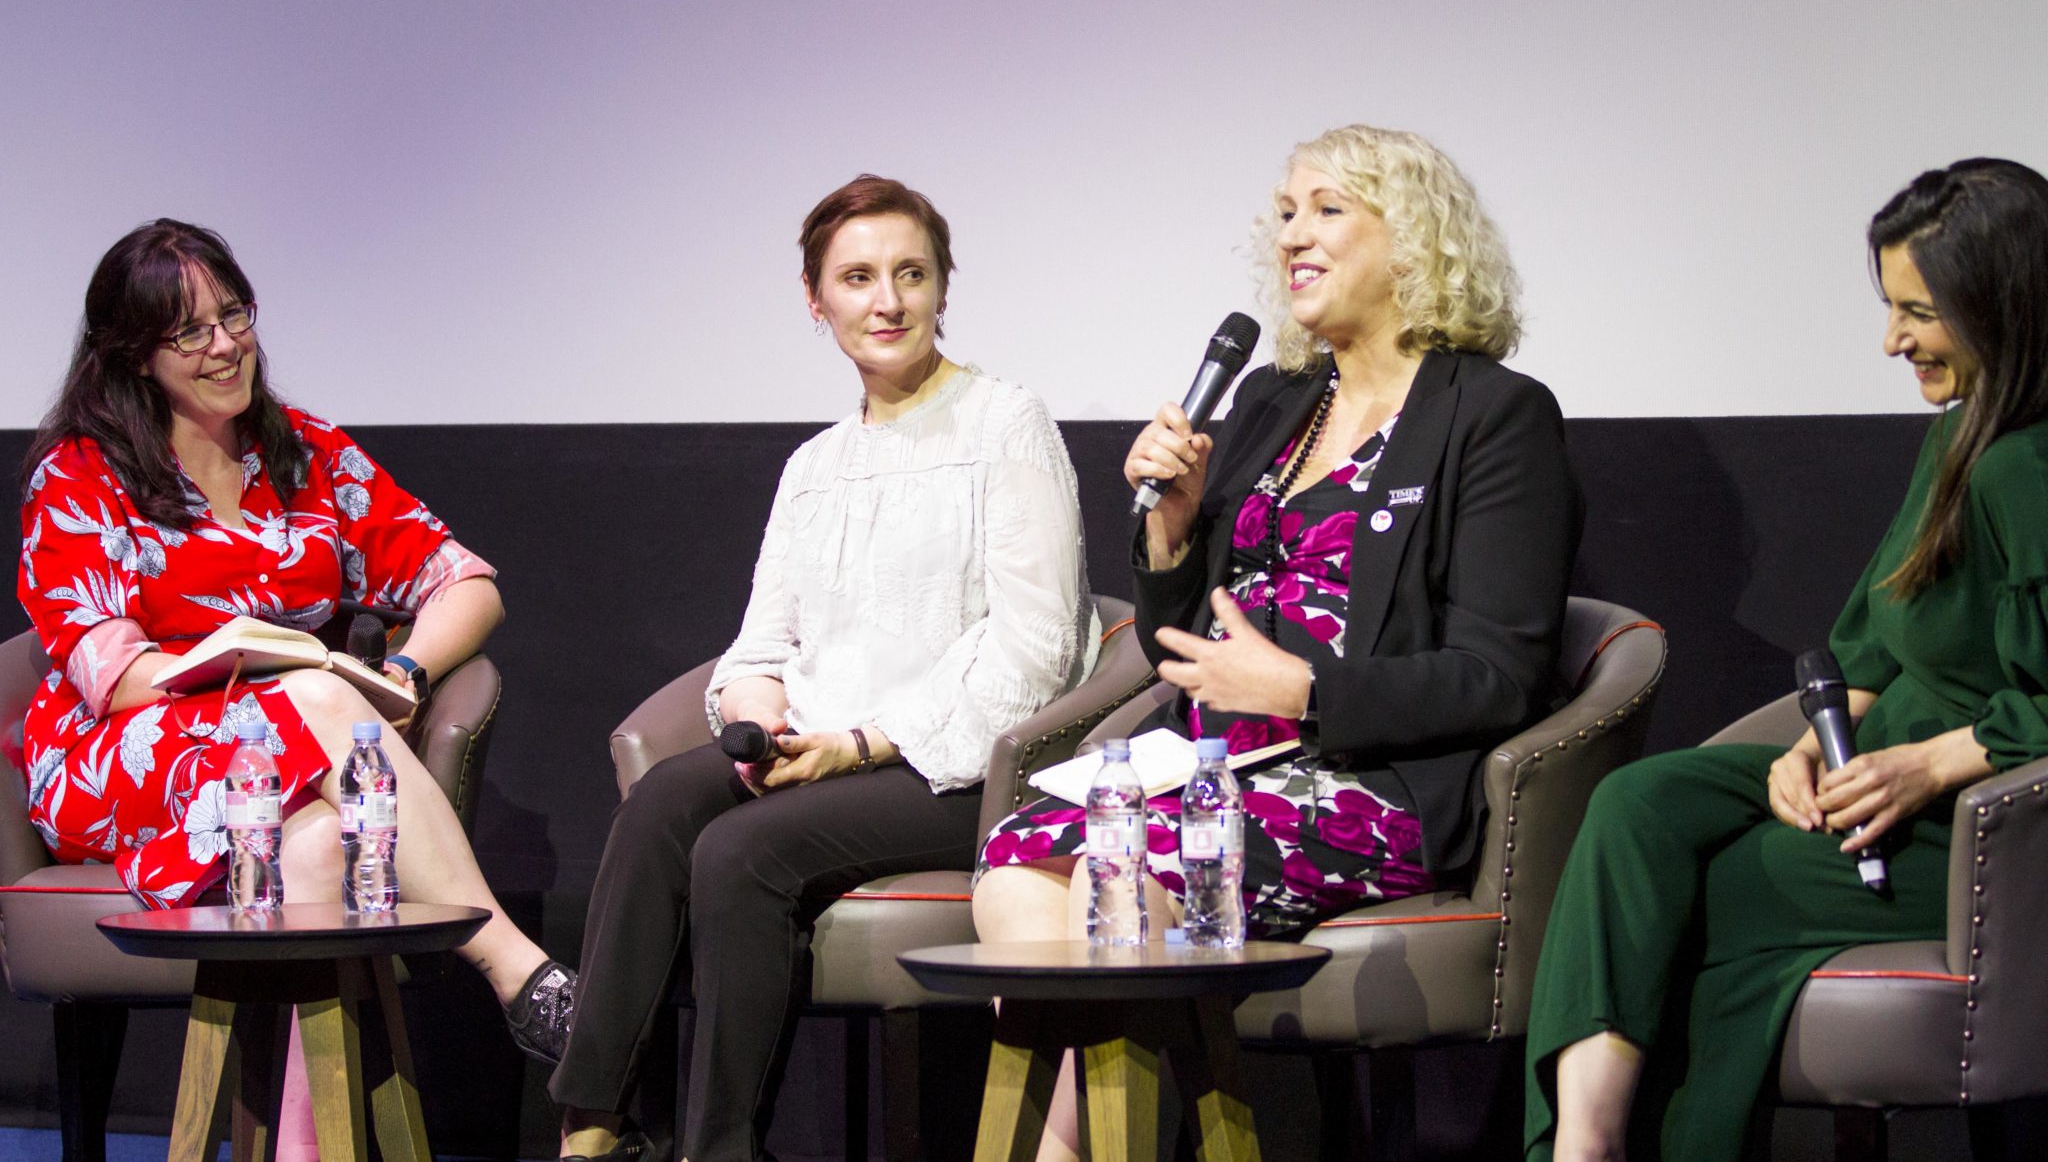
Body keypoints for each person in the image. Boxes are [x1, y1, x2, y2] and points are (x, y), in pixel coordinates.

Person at [974, 124, 1584, 1161]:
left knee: (1115, 874)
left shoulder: (1492, 416)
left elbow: (1498, 677)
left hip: (1361, 778)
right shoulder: (1273, 402)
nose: (1292, 237)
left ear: (1413, 239)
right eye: (1285, 215)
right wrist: (1169, 529)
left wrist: (1304, 691)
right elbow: (1176, 640)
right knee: (1015, 858)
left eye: (1326, 210)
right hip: (1207, 759)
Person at [549, 174, 1099, 1162]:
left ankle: (718, 1149)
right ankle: (591, 1125)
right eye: (856, 277)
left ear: (940, 288)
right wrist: (755, 718)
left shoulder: (1005, 423)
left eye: (908, 274)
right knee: (663, 805)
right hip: (824, 753)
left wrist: (857, 743)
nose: (884, 300)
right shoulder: (813, 466)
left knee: (737, 853)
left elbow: (1036, 653)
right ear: (817, 301)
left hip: (957, 769)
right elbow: (759, 647)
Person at [1524, 158, 2048, 1161]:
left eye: (1918, 313)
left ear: (2002, 305)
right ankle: (1578, 1151)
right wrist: (1813, 741)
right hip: (1874, 761)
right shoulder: (1957, 443)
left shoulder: (2027, 468)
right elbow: (1867, 641)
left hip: (1983, 808)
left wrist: (1930, 763)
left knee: (1707, 896)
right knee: (1636, 808)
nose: (1890, 339)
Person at [15, 220, 573, 1068]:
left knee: (314, 842)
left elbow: (466, 581)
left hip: (279, 758)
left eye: (235, 315)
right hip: (119, 757)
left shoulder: (305, 453)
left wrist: (406, 669)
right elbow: (115, 674)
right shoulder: (80, 474)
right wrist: (275, 678)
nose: (226, 345)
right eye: (190, 330)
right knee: (314, 698)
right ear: (134, 354)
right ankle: (518, 971)